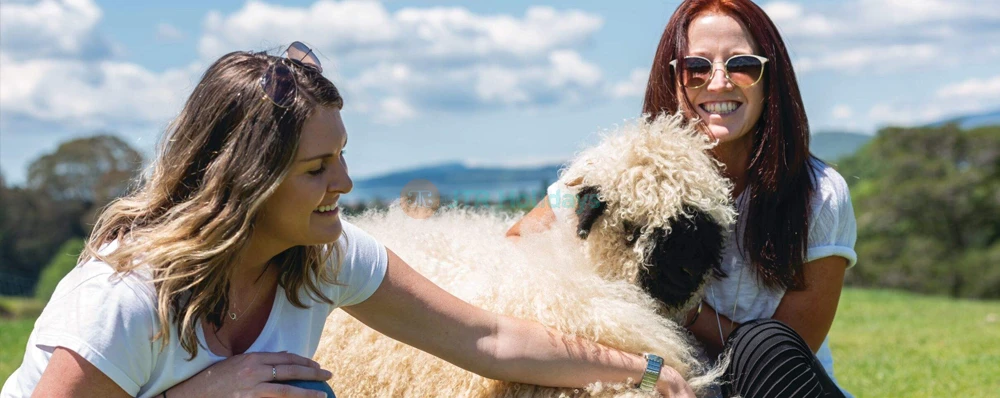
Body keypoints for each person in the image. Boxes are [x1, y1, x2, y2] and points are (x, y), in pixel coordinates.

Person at [0, 43, 696, 398]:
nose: (345, 183)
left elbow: (487, 339)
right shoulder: (128, 298)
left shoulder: (323, 255)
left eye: (342, 156)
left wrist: (641, 370)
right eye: (316, 169)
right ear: (244, 182)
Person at [507, 1, 857, 397]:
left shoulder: (819, 193)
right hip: (659, 384)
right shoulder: (618, 171)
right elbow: (517, 246)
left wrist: (685, 309)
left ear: (769, 79)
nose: (720, 82)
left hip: (770, 386)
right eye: (697, 68)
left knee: (766, 343)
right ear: (672, 79)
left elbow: (790, 355)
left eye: (742, 65)